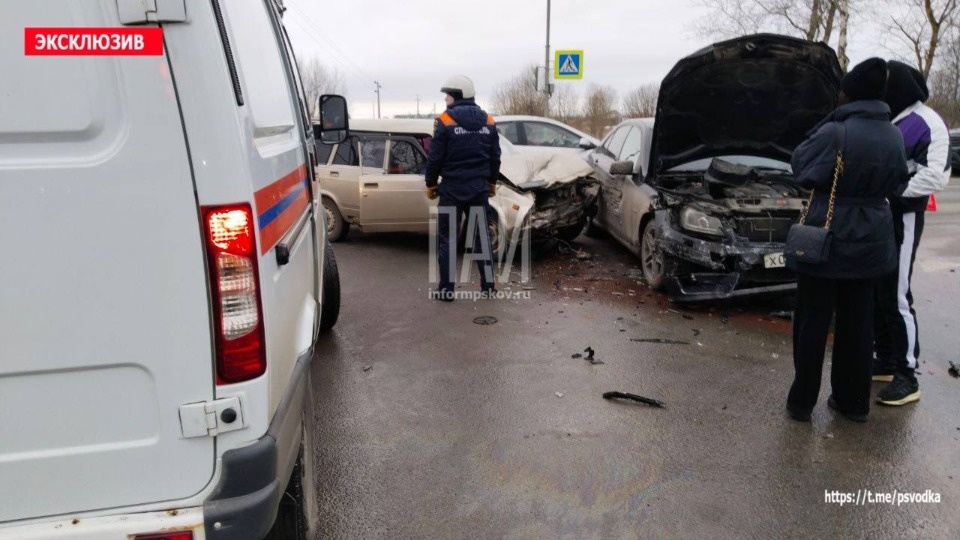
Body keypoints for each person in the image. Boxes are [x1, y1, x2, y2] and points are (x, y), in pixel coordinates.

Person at [786, 58, 909, 423]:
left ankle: (801, 403)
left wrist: (831, 120)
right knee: (858, 328)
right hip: (872, 242)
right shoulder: (894, 135)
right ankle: (853, 403)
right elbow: (899, 181)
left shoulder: (835, 131)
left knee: (812, 323)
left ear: (848, 94)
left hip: (826, 239)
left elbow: (800, 166)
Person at [872, 61, 951, 406]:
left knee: (897, 293)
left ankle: (907, 374)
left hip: (903, 215)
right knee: (880, 289)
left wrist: (895, 193)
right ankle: (887, 359)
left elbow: (937, 174)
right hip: (880, 215)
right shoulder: (890, 119)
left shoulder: (926, 121)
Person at [424, 75, 501, 301]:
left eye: (448, 94)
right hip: (478, 189)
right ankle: (488, 287)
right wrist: (492, 182)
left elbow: (435, 158)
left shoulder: (445, 121)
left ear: (457, 95)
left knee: (448, 240)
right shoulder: (489, 121)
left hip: (452, 190)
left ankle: (447, 290)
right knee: (482, 238)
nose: (445, 99)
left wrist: (430, 183)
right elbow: (495, 157)